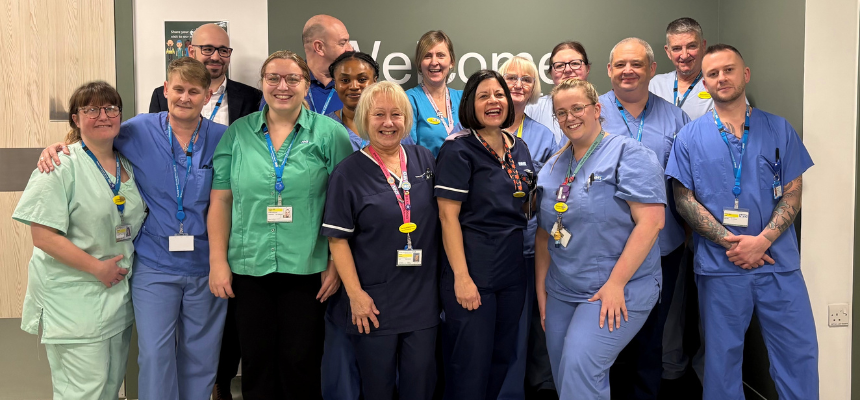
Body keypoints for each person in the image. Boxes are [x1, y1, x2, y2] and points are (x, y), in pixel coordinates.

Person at [38, 58, 230, 400]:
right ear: (166, 90)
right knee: (156, 355)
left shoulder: (224, 138)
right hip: (154, 265)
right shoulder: (139, 129)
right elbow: (93, 139)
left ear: (208, 95)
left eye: (194, 91)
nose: (185, 97)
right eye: (178, 89)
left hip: (206, 265)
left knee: (201, 355)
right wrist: (58, 148)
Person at [666, 44, 818, 400]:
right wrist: (733, 244)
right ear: (704, 82)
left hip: (777, 264)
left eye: (729, 70)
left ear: (744, 74)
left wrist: (762, 241)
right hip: (722, 267)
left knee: (799, 354)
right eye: (713, 73)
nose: (722, 78)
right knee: (721, 360)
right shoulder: (689, 137)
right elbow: (683, 200)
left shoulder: (779, 129)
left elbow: (793, 191)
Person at [208, 50, 352, 400]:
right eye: (273, 78)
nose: (282, 86)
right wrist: (217, 262)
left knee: (301, 363)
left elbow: (345, 208)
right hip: (249, 266)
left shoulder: (330, 135)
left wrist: (336, 264)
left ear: (306, 85)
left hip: (308, 267)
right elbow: (221, 201)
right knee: (256, 363)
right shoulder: (238, 135)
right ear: (262, 84)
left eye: (292, 79)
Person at [535, 77, 665, 400]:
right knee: (562, 369)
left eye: (577, 108)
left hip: (619, 286)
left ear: (596, 109)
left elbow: (651, 222)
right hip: (563, 287)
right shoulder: (553, 166)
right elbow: (543, 233)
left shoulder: (628, 154)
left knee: (581, 365)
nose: (569, 118)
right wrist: (542, 290)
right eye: (561, 112)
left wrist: (617, 283)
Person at [15, 82, 144, 400]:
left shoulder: (126, 164)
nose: (103, 116)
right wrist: (97, 268)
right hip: (75, 302)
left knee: (108, 387)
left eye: (111, 108)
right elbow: (43, 236)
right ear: (75, 118)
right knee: (82, 392)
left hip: (116, 300)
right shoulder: (59, 165)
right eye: (91, 109)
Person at [322, 81, 440, 400]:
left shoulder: (424, 161)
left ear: (407, 119)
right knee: (377, 389)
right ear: (364, 119)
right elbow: (337, 240)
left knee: (421, 386)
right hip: (373, 303)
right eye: (379, 115)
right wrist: (356, 295)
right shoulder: (348, 173)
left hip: (423, 300)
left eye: (396, 114)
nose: (388, 123)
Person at [598, 37, 690, 400]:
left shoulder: (676, 117)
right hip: (604, 249)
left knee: (651, 333)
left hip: (661, 247)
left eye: (636, 64)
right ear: (609, 70)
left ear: (653, 70)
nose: (628, 71)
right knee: (602, 331)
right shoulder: (592, 112)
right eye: (620, 64)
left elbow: (687, 182)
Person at [435, 69, 535, 400]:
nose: (493, 102)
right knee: (470, 364)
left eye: (499, 95)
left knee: (501, 358)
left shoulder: (518, 147)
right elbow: (448, 217)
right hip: (473, 268)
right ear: (470, 105)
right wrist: (461, 278)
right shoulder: (459, 149)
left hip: (512, 269)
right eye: (484, 96)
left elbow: (526, 202)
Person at [496, 56, 558, 400]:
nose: (518, 84)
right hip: (490, 244)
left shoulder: (543, 135)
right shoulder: (479, 131)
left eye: (526, 79)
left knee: (533, 322)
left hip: (531, 243)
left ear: (535, 88)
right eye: (511, 77)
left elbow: (548, 192)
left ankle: (535, 386)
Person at [150, 23, 262, 130]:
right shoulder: (162, 97)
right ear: (191, 51)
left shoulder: (253, 98)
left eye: (223, 51)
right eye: (208, 49)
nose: (216, 57)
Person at [326, 51, 414, 150]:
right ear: (335, 84)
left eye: (362, 79)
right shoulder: (325, 127)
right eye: (345, 80)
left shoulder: (394, 125)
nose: (354, 86)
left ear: (375, 81)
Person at [406, 30, 463, 156]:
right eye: (427, 56)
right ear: (420, 64)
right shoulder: (409, 100)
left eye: (440, 55)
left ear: (452, 62)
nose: (434, 62)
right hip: (428, 173)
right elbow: (408, 153)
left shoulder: (464, 98)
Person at [526, 41, 592, 147]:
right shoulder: (532, 110)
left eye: (575, 63)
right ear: (550, 73)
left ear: (587, 68)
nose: (567, 70)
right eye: (560, 65)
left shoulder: (602, 108)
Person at [649, 17, 711, 120]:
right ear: (668, 52)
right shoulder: (655, 85)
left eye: (691, 46)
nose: (685, 55)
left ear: (703, 46)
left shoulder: (718, 84)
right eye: (676, 48)